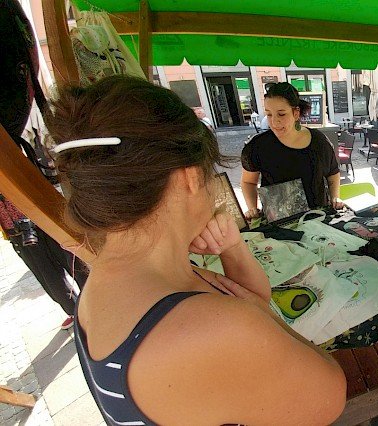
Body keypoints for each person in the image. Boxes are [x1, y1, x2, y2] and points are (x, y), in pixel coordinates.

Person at [45, 76, 346, 425]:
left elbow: (251, 295)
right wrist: (258, 314)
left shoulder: (106, 279)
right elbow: (331, 394)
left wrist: (234, 251)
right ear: (190, 177)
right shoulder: (222, 325)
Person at [1, 0, 88, 330]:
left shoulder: (21, 110)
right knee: (48, 264)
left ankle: (87, 304)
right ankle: (77, 308)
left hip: (38, 196)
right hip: (17, 214)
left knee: (71, 252)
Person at [240, 82, 343, 219]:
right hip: (278, 223)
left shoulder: (319, 141)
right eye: (269, 114)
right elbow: (248, 182)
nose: (274, 121)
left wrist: (335, 197)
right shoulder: (257, 146)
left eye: (281, 114)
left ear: (296, 113)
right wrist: (252, 207)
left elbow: (333, 173)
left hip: (319, 219)